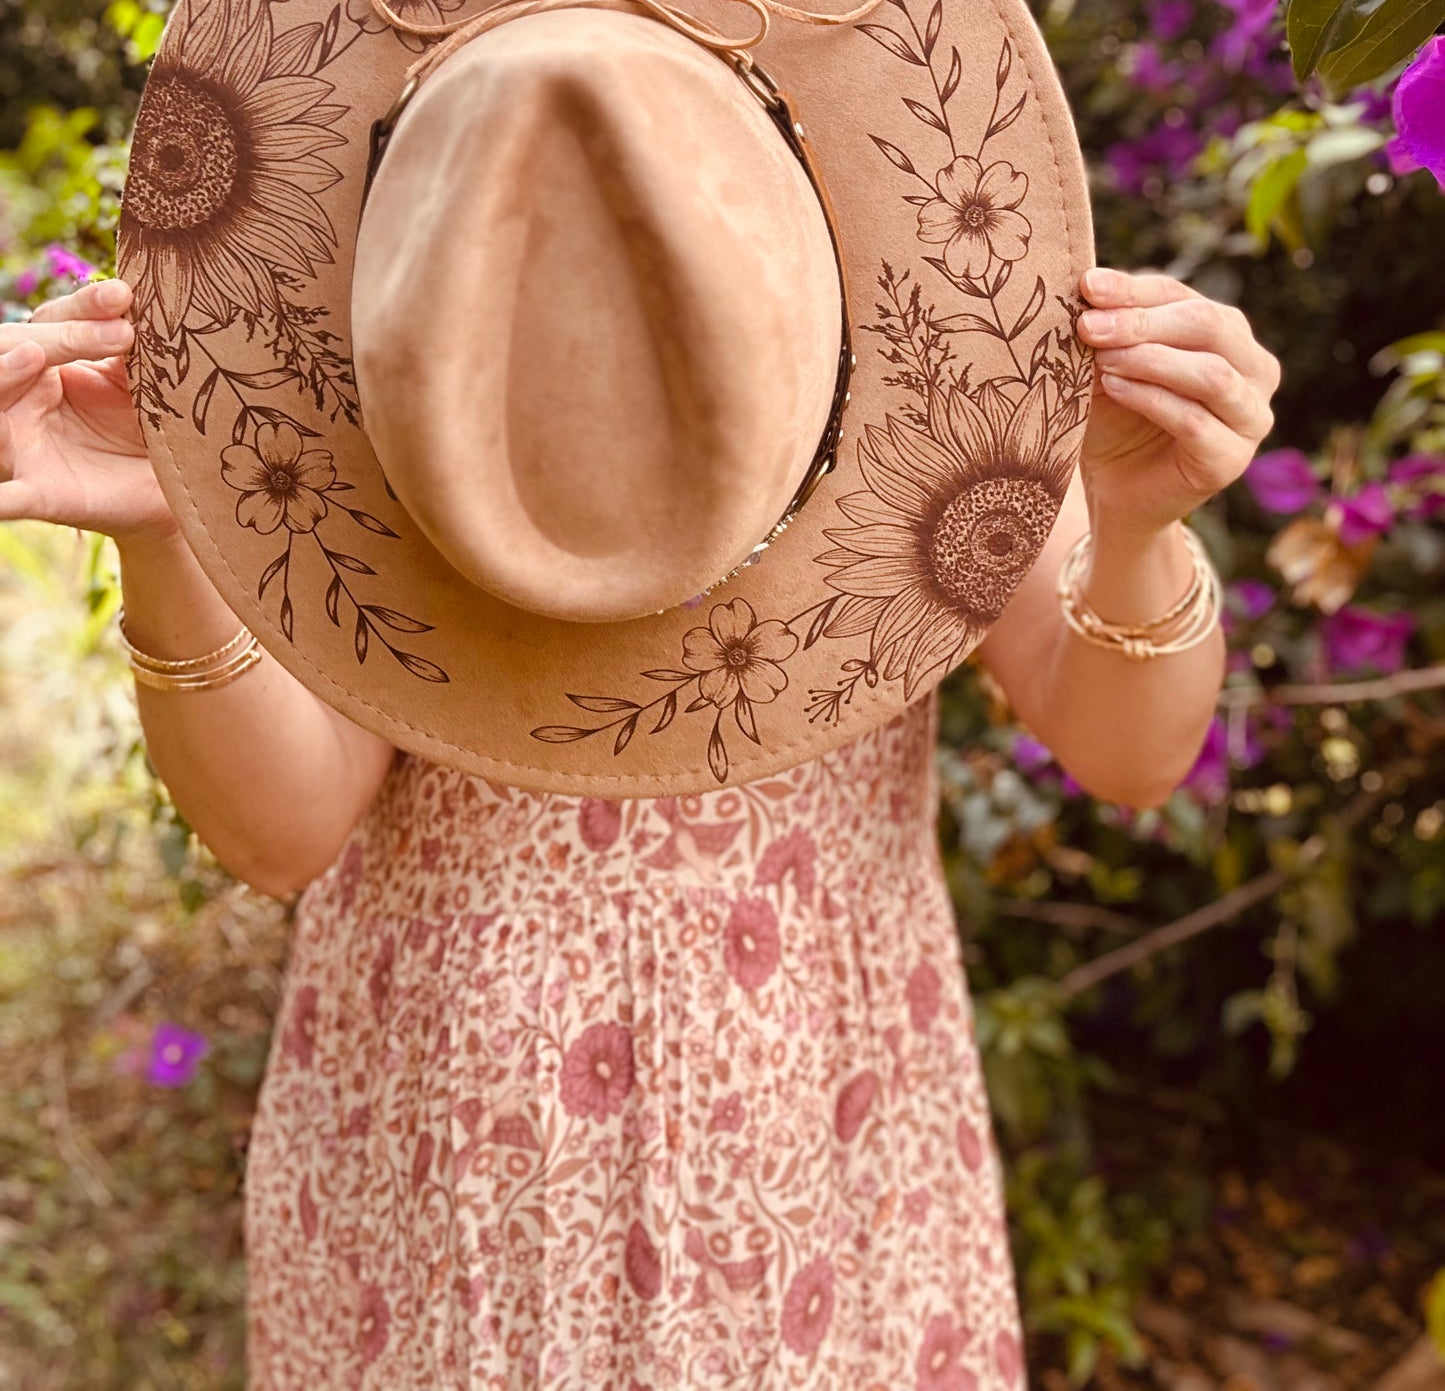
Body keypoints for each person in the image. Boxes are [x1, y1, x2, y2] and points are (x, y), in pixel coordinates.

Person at [0, 259, 1279, 1386]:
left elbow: (1128, 749)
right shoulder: (381, 323)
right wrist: (166, 538)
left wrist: (1132, 521)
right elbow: (283, 833)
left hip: (815, 1153)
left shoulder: (924, 321)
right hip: (454, 1169)